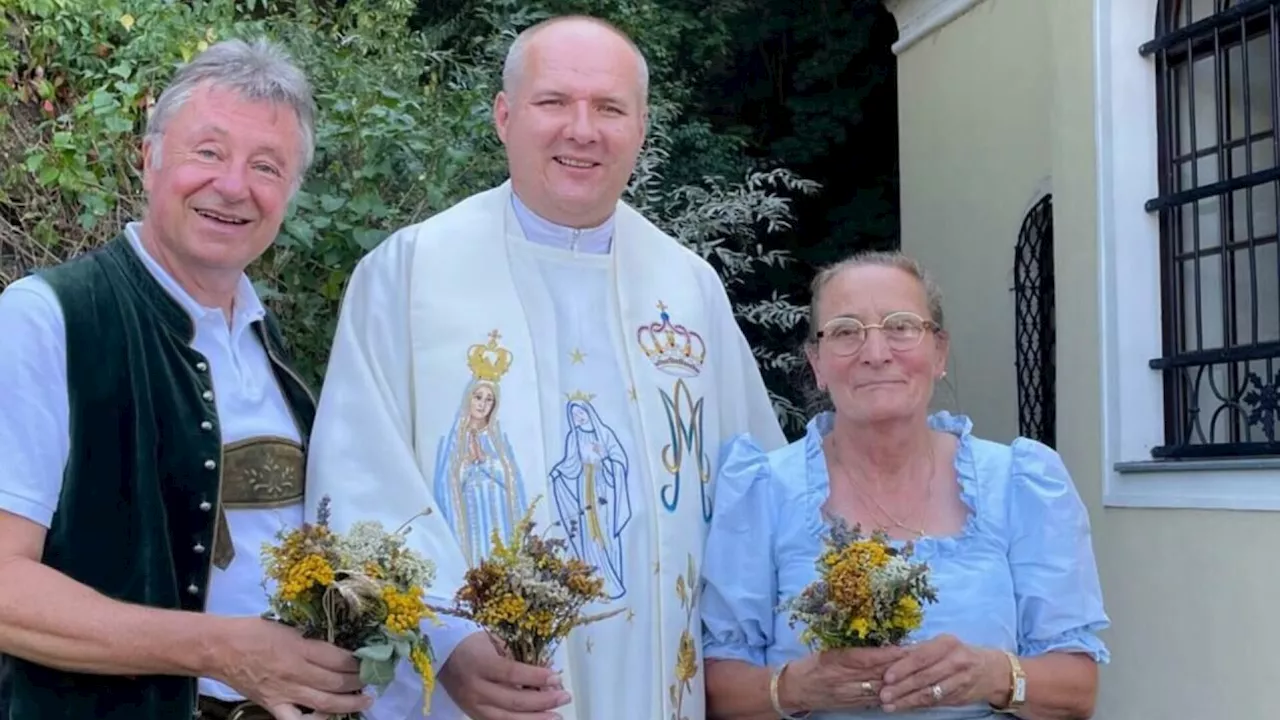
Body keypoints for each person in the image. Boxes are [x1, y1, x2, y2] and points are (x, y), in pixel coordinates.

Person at [303, 14, 787, 720]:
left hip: (655, 678)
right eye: (554, 102)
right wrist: (447, 639)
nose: (581, 130)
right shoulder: (408, 273)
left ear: (642, 129)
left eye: (609, 108)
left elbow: (752, 493)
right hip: (472, 683)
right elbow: (358, 479)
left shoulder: (688, 287)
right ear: (504, 116)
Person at [0, 39, 370, 720]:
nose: (234, 186)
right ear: (148, 160)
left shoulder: (270, 347)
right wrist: (220, 652)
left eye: (267, 166)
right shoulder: (47, 318)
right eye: (208, 152)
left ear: (289, 195)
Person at [699, 251, 1110, 719]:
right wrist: (796, 688)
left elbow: (1078, 693)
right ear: (817, 362)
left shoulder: (1020, 484)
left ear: (939, 352)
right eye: (846, 332)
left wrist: (993, 674)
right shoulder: (762, 490)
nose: (876, 354)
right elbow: (712, 690)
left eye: (901, 326)